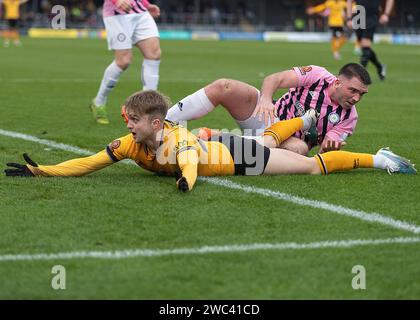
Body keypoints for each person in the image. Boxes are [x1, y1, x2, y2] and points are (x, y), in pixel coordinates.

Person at [5, 91, 416, 192]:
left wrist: (187, 182)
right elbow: (91, 161)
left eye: (131, 121)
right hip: (218, 143)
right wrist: (42, 170)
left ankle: (378, 160)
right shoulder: (130, 144)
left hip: (238, 156)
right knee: (274, 142)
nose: (126, 126)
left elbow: (187, 162)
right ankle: (304, 120)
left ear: (155, 121)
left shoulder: (176, 138)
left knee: (306, 165)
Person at [166, 63, 371, 155]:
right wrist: (265, 99)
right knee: (224, 86)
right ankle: (164, 123)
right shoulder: (317, 75)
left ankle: (212, 138)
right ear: (336, 83)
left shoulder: (348, 118)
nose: (356, 98)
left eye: (361, 94)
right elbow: (276, 78)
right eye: (353, 90)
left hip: (284, 142)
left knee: (299, 150)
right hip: (265, 116)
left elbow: (325, 151)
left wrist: (328, 149)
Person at [90, 0, 162, 124]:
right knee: (123, 60)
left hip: (140, 11)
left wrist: (146, 4)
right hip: (117, 13)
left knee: (154, 54)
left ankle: (148, 108)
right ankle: (99, 102)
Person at [347, 0, 394, 80]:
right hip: (358, 16)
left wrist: (386, 14)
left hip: (372, 17)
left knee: (365, 47)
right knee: (365, 48)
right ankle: (380, 67)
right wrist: (349, 18)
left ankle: (360, 76)